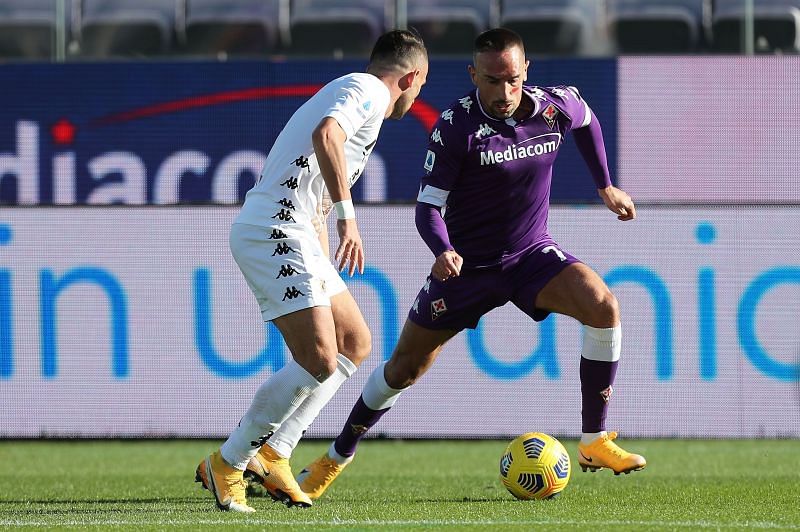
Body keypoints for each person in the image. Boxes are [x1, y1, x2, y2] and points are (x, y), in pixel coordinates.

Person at [296, 27, 647, 501]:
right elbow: (427, 208)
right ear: (472, 75)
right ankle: (335, 457)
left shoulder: (553, 106)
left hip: (530, 256)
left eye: (512, 79)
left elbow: (587, 122)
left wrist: (605, 184)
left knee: (603, 305)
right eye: (491, 80)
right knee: (402, 369)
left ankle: (594, 441)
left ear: (527, 71)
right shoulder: (455, 126)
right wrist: (442, 250)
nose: (503, 92)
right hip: (465, 270)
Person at [194, 30, 428, 513]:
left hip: (299, 231)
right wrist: (350, 219)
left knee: (354, 342)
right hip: (274, 229)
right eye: (420, 87)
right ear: (410, 77)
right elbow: (327, 134)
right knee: (319, 357)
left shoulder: (359, 96)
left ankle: (276, 453)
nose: (417, 96)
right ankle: (228, 462)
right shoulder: (366, 90)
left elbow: (315, 193)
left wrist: (323, 257)